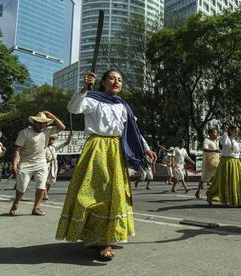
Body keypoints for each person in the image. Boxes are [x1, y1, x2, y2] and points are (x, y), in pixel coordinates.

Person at [56, 70, 156, 261]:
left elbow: (133, 132)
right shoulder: (92, 99)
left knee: (115, 194)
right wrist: (85, 88)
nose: (116, 82)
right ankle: (95, 237)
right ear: (102, 82)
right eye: (112, 78)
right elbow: (73, 108)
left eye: (119, 79)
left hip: (117, 150)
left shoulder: (124, 106)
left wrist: (146, 148)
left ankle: (105, 239)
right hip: (97, 148)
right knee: (93, 192)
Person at [10, 112, 66, 216]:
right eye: (39, 123)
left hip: (41, 163)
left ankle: (36, 207)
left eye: (44, 123)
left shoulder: (48, 131)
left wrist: (51, 115)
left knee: (41, 187)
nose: (42, 125)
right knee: (22, 187)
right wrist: (15, 163)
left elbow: (62, 127)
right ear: (34, 122)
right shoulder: (24, 132)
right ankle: (16, 202)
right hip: (26, 162)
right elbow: (17, 150)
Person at [206, 124, 241, 207]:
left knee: (239, 181)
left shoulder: (236, 141)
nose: (237, 133)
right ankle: (210, 194)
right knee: (223, 181)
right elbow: (224, 143)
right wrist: (225, 132)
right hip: (227, 162)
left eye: (237, 132)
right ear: (230, 131)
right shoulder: (225, 138)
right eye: (235, 131)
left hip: (236, 162)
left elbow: (237, 152)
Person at [44, 132, 73, 200]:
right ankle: (44, 194)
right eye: (50, 139)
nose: (52, 140)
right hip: (44, 164)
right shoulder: (43, 146)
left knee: (51, 181)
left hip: (53, 165)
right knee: (43, 180)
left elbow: (66, 143)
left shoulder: (55, 146)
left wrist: (70, 137)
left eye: (53, 139)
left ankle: (45, 193)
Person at [195, 128, 220, 199]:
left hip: (216, 162)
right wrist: (215, 150)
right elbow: (204, 149)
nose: (216, 134)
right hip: (208, 163)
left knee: (217, 177)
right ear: (210, 134)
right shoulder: (206, 140)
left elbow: (224, 136)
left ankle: (215, 193)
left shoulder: (216, 140)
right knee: (203, 178)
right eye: (215, 132)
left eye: (216, 132)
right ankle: (198, 191)